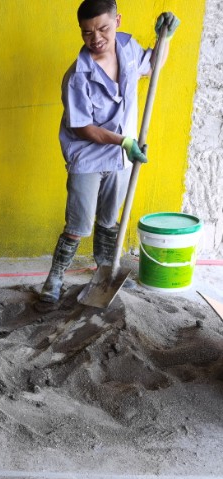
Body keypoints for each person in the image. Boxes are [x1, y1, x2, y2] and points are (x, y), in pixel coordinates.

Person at [39, 0, 180, 303]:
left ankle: (106, 273)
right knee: (78, 224)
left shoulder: (128, 49)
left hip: (120, 156)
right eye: (87, 32)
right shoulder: (78, 76)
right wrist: (124, 142)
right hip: (88, 156)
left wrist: (164, 38)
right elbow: (82, 128)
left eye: (103, 28)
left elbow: (152, 66)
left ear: (117, 21)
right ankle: (54, 279)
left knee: (108, 220)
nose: (96, 38)